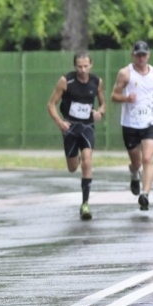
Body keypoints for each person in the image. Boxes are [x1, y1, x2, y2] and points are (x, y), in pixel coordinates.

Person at [46, 52, 106, 220]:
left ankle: (85, 204)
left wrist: (100, 112)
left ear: (91, 65)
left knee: (87, 161)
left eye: (86, 66)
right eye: (79, 66)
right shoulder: (66, 81)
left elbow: (103, 104)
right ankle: (76, 158)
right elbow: (51, 105)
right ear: (75, 66)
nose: (82, 70)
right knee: (73, 168)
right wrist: (60, 123)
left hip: (87, 126)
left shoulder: (97, 81)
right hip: (70, 128)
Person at [111, 40, 153, 210]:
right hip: (130, 124)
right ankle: (134, 172)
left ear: (148, 55)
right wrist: (126, 99)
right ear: (133, 55)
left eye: (144, 55)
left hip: (150, 122)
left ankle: (145, 194)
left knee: (148, 158)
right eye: (138, 55)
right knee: (137, 162)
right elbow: (114, 96)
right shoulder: (125, 73)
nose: (141, 58)